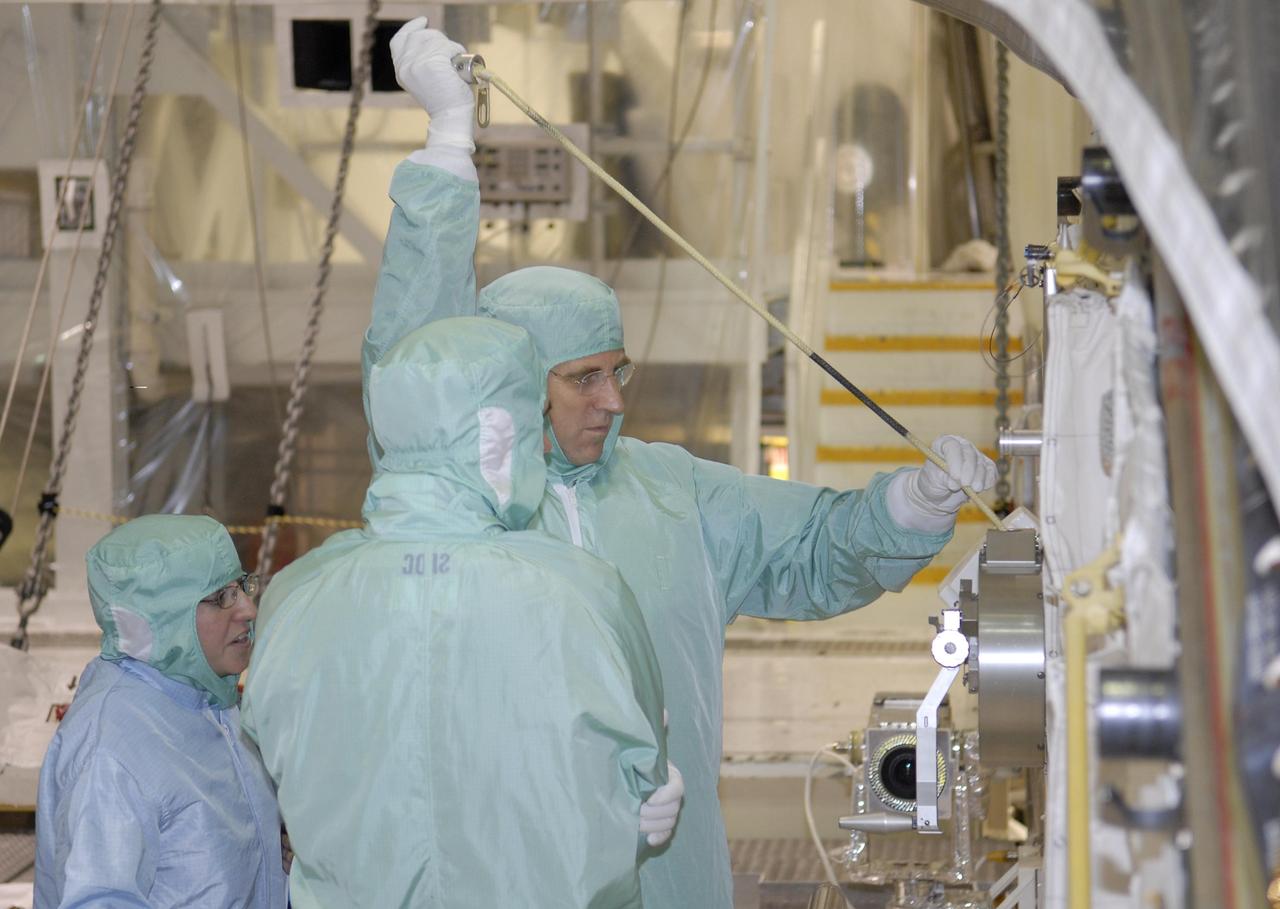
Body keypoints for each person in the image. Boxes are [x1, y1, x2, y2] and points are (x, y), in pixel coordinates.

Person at [369, 20, 997, 907]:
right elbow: (409, 355)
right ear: (512, 386)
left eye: (617, 371)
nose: (613, 400)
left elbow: (814, 546)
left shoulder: (675, 494)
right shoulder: (465, 507)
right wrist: (445, 145)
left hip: (673, 883)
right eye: (583, 378)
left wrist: (914, 503)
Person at [242, 316, 681, 908]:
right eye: (532, 427)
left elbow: (271, 762)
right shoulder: (583, 592)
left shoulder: (295, 598)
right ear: (499, 439)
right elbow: (644, 773)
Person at [34, 514, 287, 909]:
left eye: (241, 586)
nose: (249, 610)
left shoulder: (206, 700)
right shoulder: (112, 750)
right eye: (222, 597)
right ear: (163, 621)